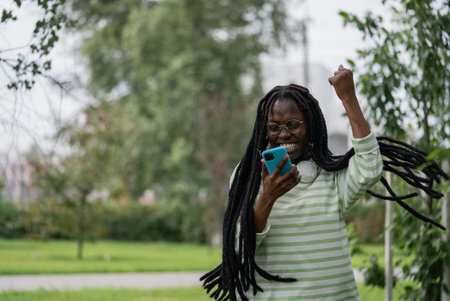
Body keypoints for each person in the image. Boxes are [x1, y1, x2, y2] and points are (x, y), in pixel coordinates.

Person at [201, 65, 447, 301]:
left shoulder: (331, 177)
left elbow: (370, 168)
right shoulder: (249, 178)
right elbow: (237, 250)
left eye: (293, 125)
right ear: (263, 131)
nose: (283, 133)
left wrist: (349, 98)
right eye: (274, 127)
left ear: (311, 125)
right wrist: (267, 198)